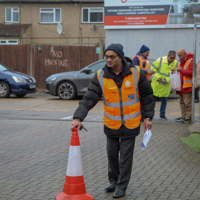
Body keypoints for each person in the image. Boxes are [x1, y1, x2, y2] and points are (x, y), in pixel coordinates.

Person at [71, 43, 154, 199]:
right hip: (111, 123)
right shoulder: (101, 76)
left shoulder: (136, 74)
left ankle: (121, 186)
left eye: (112, 57)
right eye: (106, 56)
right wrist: (77, 117)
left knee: (125, 157)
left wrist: (147, 117)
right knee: (111, 155)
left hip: (131, 123)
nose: (108, 59)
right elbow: (89, 98)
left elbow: (148, 96)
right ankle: (114, 181)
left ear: (120, 58)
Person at [150, 50, 179, 120]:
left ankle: (162, 115)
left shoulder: (176, 64)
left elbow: (175, 75)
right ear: (168, 56)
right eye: (171, 58)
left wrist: (167, 80)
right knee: (152, 100)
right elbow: (153, 69)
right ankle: (150, 115)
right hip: (156, 84)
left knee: (164, 101)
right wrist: (157, 78)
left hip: (165, 85)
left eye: (174, 58)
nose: (172, 60)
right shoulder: (160, 60)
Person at [171, 48, 195, 123]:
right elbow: (181, 72)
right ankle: (183, 116)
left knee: (187, 103)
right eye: (178, 56)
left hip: (187, 86)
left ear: (185, 54)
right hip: (181, 86)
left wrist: (181, 70)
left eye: (180, 55)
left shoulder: (191, 61)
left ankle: (188, 117)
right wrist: (176, 71)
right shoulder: (182, 62)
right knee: (182, 103)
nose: (179, 57)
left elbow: (191, 73)